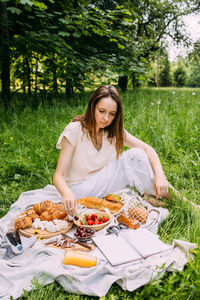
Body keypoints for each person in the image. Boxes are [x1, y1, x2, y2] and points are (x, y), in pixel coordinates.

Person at [53, 85, 169, 215]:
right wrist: (67, 193)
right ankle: (165, 198)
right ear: (92, 107)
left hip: (105, 186)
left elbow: (147, 149)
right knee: (134, 156)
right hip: (78, 191)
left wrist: (160, 176)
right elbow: (58, 176)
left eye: (112, 114)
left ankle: (174, 200)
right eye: (101, 111)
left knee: (139, 155)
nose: (106, 118)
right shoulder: (74, 130)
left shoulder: (113, 131)